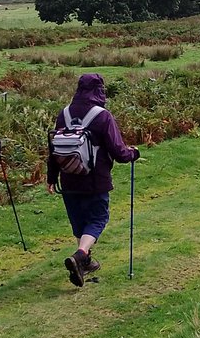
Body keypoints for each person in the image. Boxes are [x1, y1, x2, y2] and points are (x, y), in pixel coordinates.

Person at [47, 73, 139, 287]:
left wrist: (51, 177)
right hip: (95, 180)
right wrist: (133, 153)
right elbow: (118, 152)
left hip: (69, 178)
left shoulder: (64, 114)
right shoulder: (102, 116)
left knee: (79, 222)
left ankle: (84, 262)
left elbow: (53, 149)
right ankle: (80, 255)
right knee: (97, 219)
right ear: (99, 90)